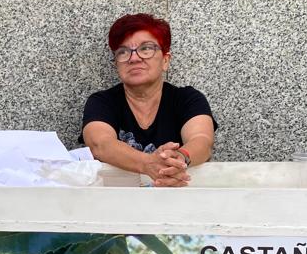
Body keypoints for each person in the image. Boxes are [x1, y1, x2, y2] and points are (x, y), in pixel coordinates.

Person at [81, 13, 215, 187]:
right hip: (117, 202)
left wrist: (179, 159)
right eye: (123, 52)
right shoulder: (102, 102)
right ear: (117, 64)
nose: (134, 58)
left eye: (146, 49)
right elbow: (100, 144)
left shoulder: (187, 99)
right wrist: (147, 163)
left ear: (165, 60)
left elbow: (202, 140)